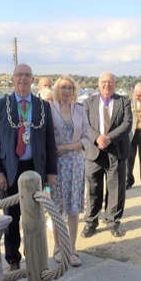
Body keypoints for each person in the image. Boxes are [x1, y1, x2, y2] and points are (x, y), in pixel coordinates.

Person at [0, 64, 57, 271]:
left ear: (32, 80)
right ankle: (13, 260)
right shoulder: (0, 105)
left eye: (27, 76)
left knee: (34, 217)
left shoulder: (42, 107)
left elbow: (50, 142)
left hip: (35, 170)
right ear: (12, 79)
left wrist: (51, 173)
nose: (23, 79)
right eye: (19, 75)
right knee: (11, 217)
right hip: (8, 171)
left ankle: (34, 256)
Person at [81, 72, 132, 238]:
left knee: (115, 188)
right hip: (94, 151)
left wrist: (109, 138)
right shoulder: (88, 102)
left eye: (110, 82)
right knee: (93, 188)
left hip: (116, 150)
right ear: (98, 83)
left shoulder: (123, 101)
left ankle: (113, 221)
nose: (106, 85)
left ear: (114, 84)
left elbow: (127, 124)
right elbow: (85, 124)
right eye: (103, 82)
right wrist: (97, 138)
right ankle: (91, 222)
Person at [49, 76, 91, 267]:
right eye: (63, 87)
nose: (66, 90)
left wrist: (66, 147)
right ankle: (57, 247)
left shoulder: (80, 110)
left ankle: (72, 249)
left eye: (70, 87)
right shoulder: (50, 110)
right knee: (57, 208)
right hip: (56, 166)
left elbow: (86, 139)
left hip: (75, 164)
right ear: (57, 89)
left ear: (74, 90)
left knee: (74, 208)